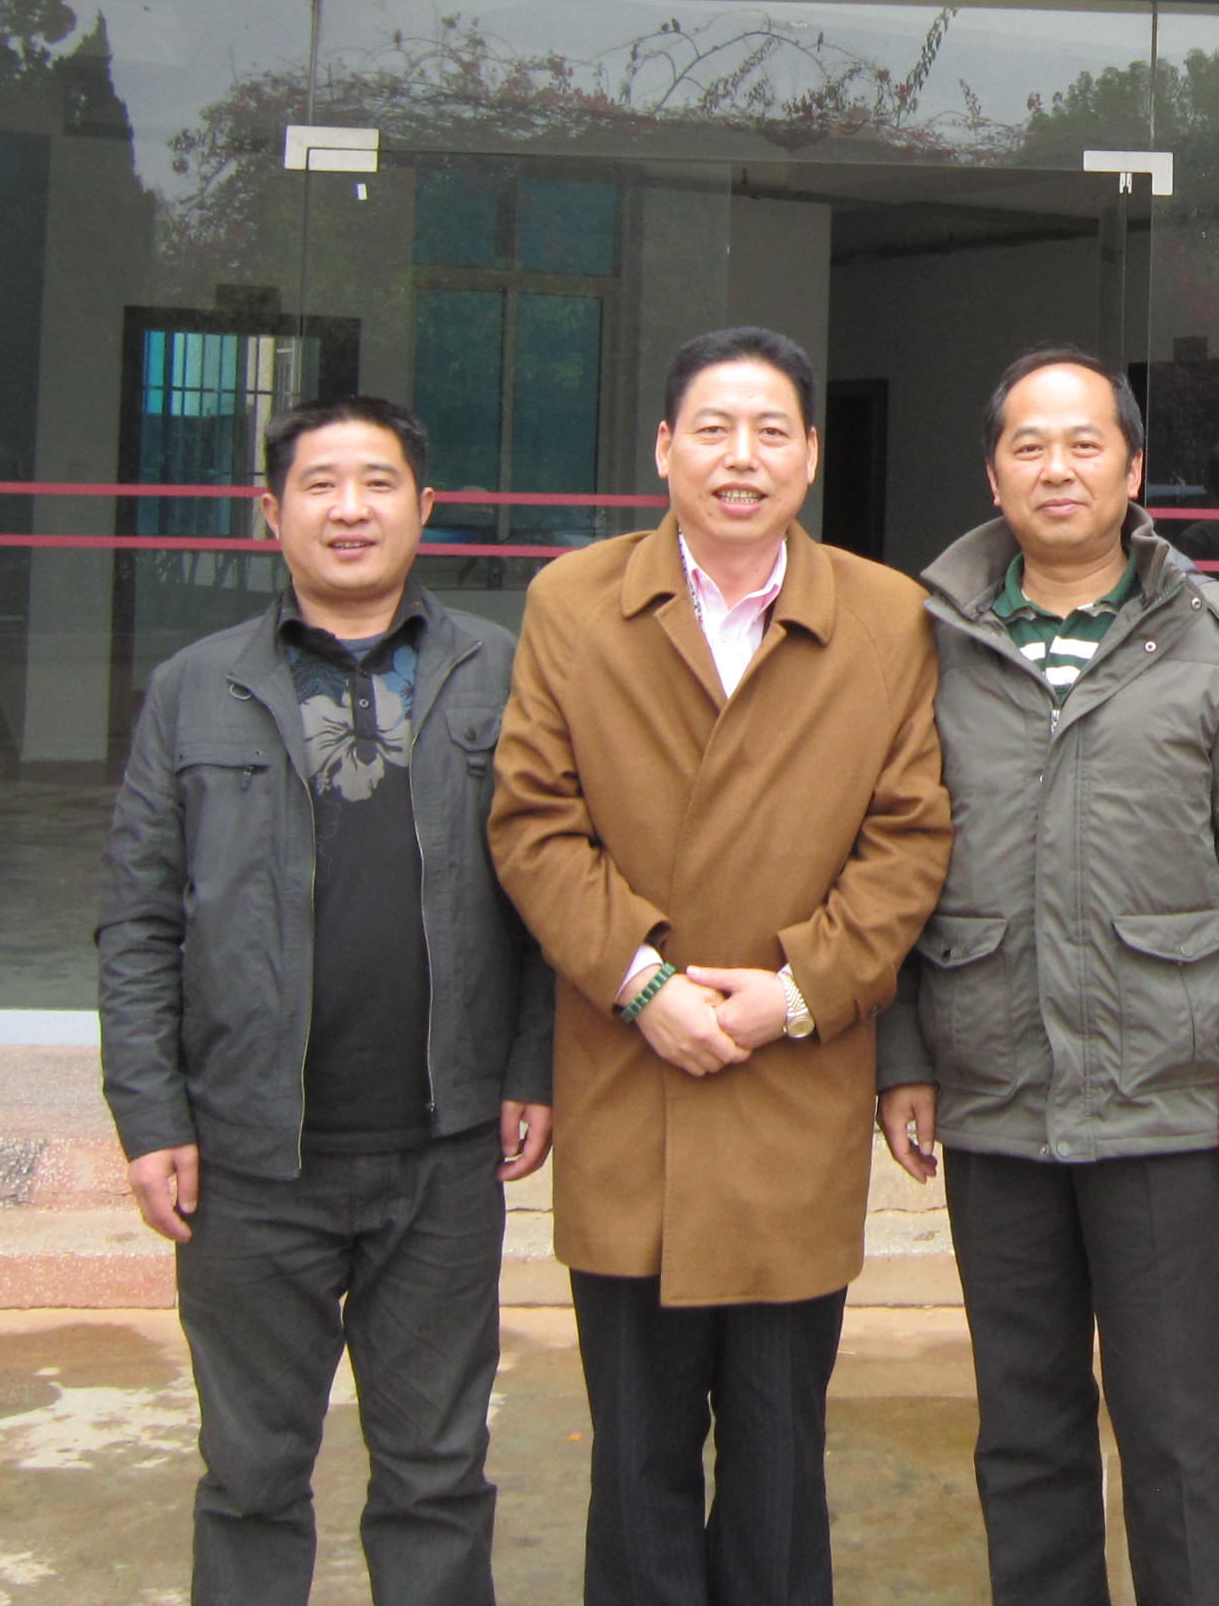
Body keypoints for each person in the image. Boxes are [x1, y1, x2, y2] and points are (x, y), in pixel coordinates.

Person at [485, 325, 953, 1606]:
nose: (740, 458)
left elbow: (910, 837)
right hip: (627, 1076)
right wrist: (644, 984)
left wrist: (798, 993)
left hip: (790, 1086)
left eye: (769, 432)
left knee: (778, 1458)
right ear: (663, 449)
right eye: (712, 429)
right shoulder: (574, 602)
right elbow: (533, 822)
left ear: (811, 455)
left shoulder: (885, 616)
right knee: (634, 1455)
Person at [96, 394, 557, 1606]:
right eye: (319, 485)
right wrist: (151, 1117)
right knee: (250, 1476)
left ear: (424, 507)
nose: (350, 510)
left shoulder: (503, 673)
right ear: (270, 512)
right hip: (250, 1163)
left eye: (378, 483)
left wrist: (533, 1067)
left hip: (443, 1154)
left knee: (437, 1474)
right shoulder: (195, 688)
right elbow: (137, 923)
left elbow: (554, 892)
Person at [874, 347, 1219, 1606]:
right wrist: (902, 1055)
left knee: (1176, 1430)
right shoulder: (928, 638)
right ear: (992, 474)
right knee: (1024, 1427)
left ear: (1132, 469)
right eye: (1029, 445)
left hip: (1164, 1093)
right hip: (992, 1084)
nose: (1056, 468)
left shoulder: (1216, 634)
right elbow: (891, 856)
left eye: (1084, 444)